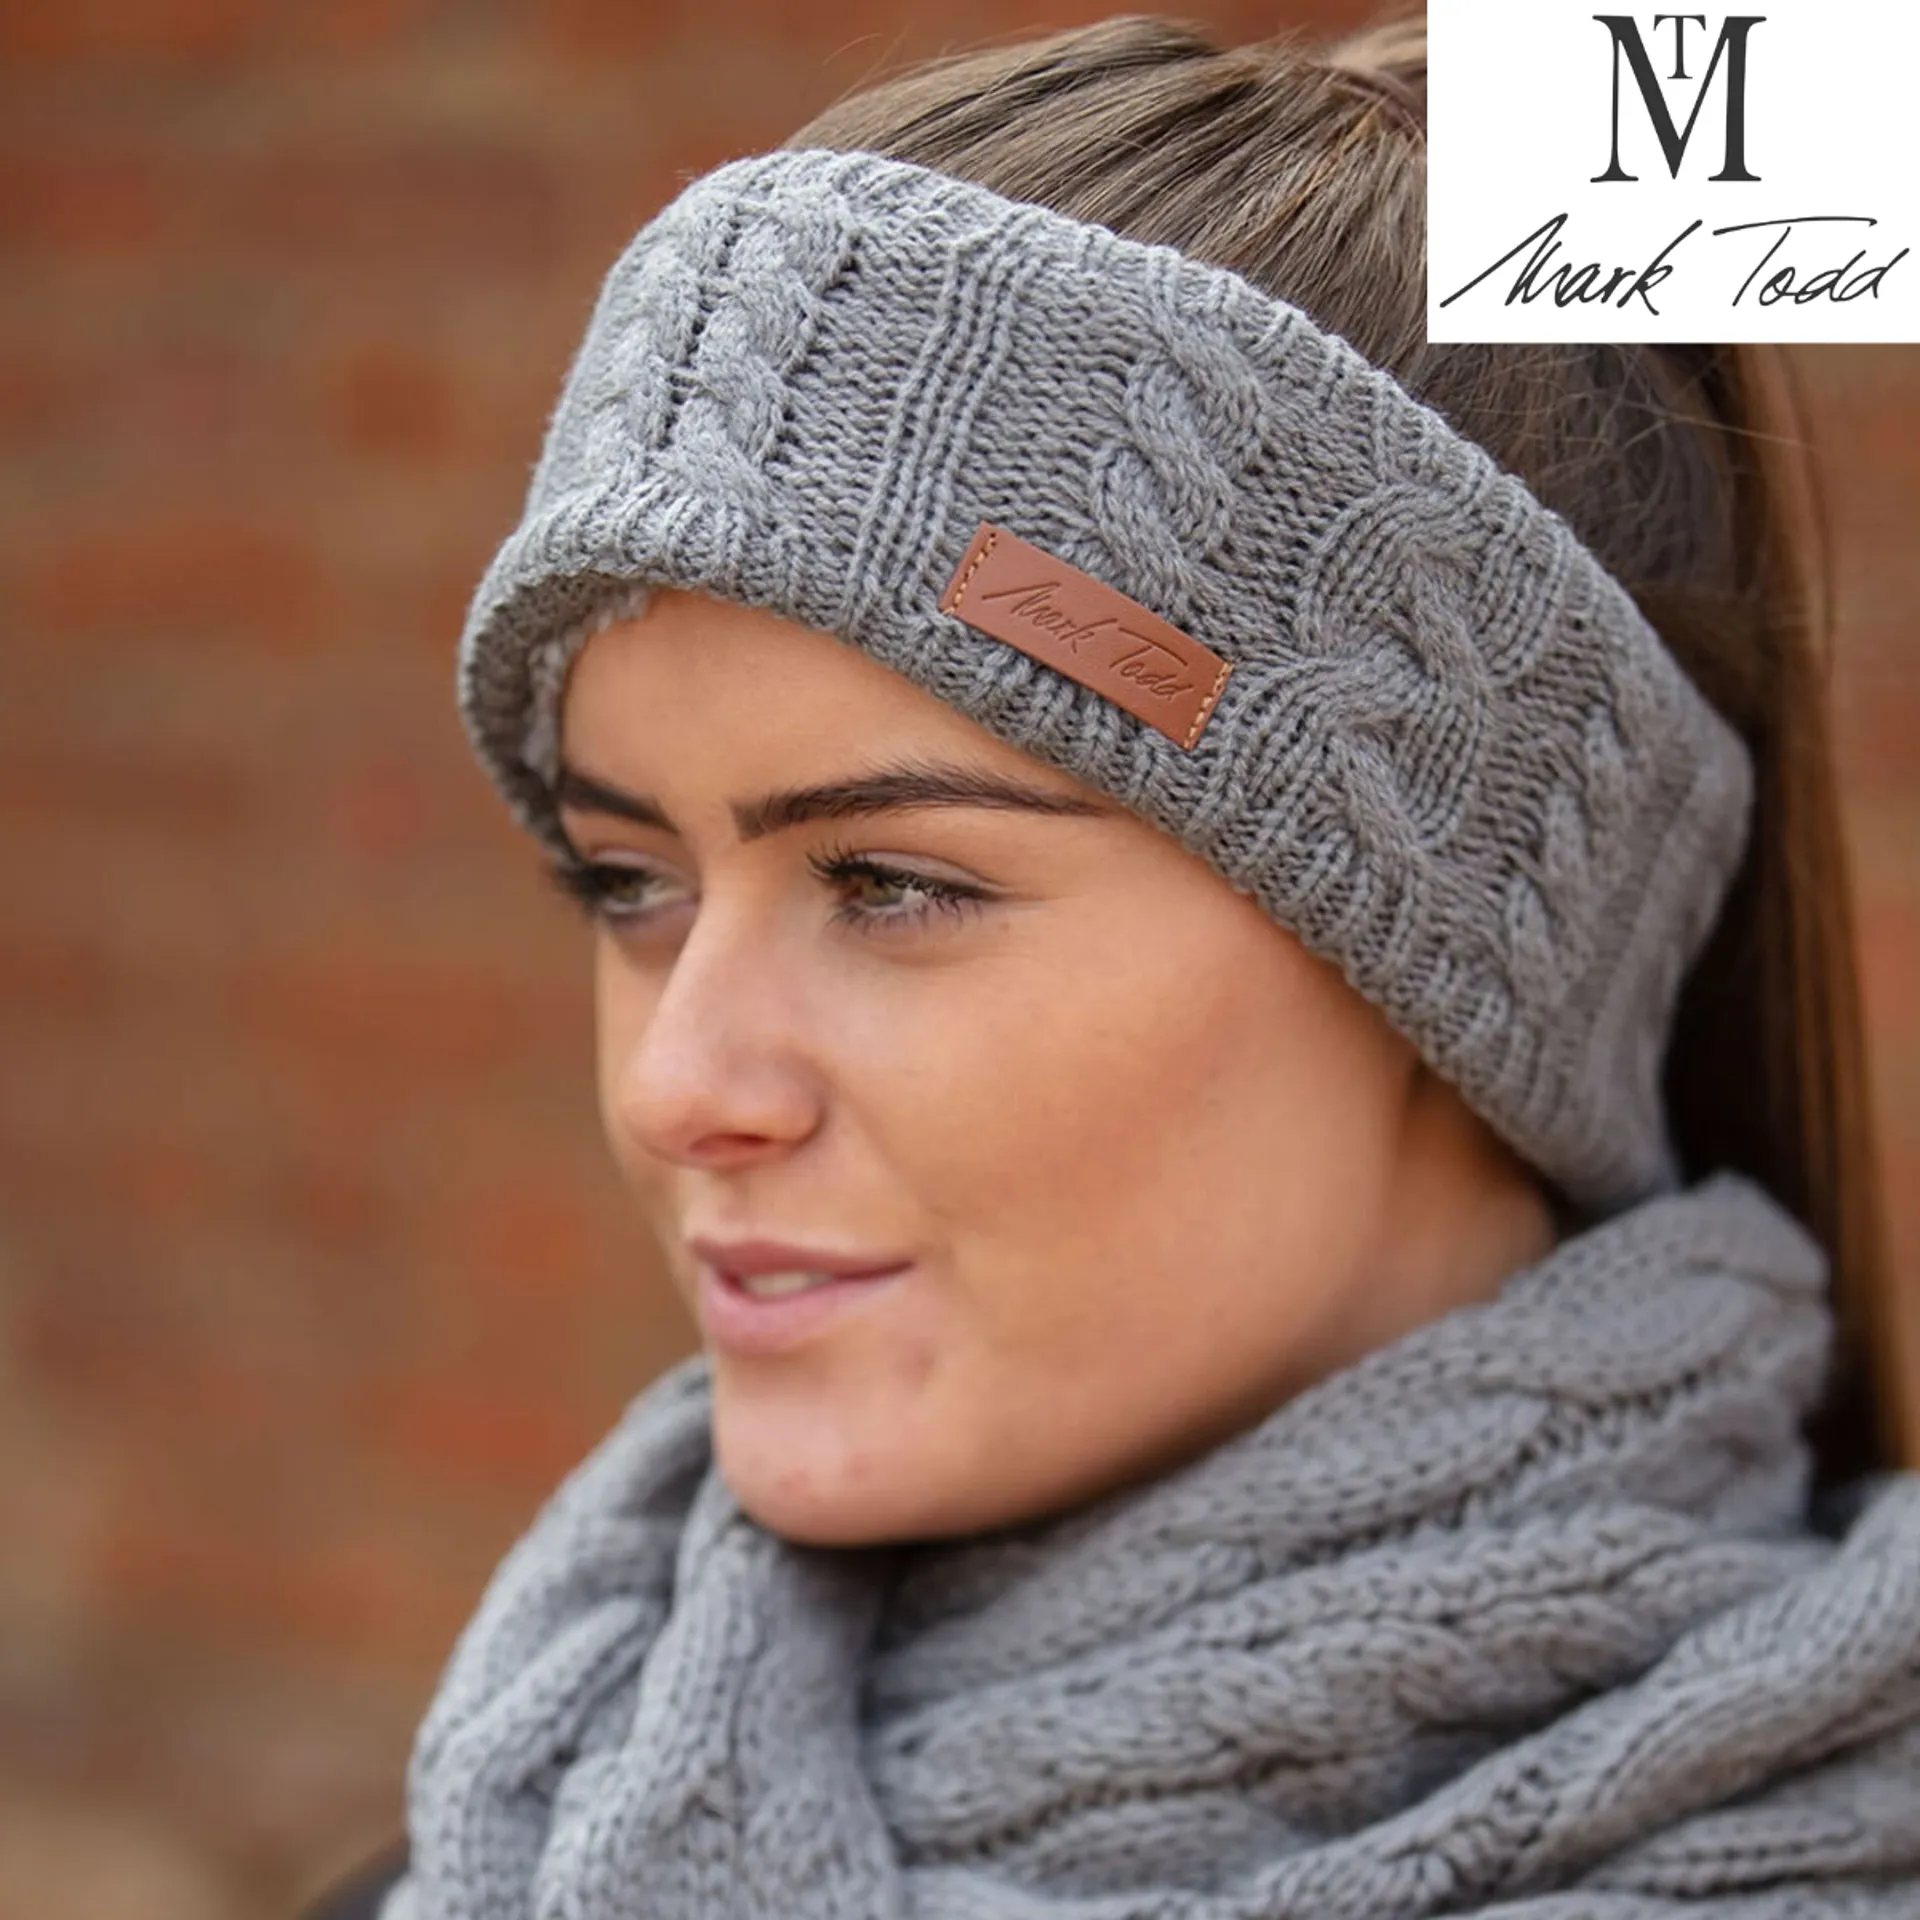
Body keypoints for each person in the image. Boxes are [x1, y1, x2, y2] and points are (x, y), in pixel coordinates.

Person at [309, 12, 1920, 1917]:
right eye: (627, 882)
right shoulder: (502, 1841)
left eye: (893, 882)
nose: (677, 1088)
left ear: (1470, 970)